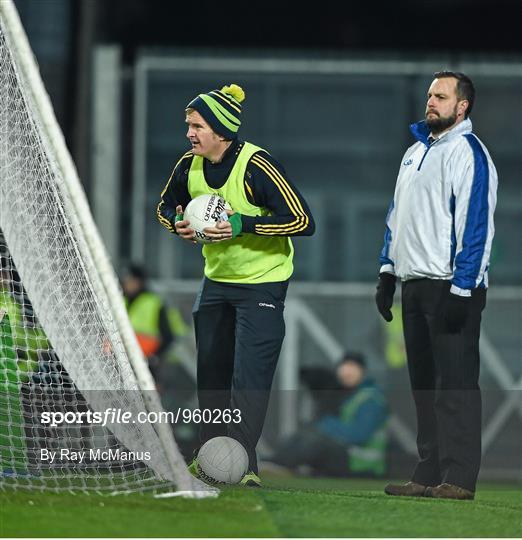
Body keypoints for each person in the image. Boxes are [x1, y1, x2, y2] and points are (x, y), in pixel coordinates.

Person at [157, 83, 315, 486]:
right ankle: (213, 462)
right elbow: (163, 207)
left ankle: (242, 466)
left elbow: (302, 221)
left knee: (249, 380)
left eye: (197, 126)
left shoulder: (257, 165)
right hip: (215, 284)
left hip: (262, 285)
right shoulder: (187, 166)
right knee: (211, 379)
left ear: (221, 129)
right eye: (188, 125)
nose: (190, 133)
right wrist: (177, 226)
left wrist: (243, 225)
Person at [376, 71, 498, 500]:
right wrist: (387, 271)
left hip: (451, 288)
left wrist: (463, 290)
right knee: (424, 386)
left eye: (440, 96)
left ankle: (459, 478)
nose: (431, 101)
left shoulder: (468, 152)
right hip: (414, 284)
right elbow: (397, 217)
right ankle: (428, 473)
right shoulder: (414, 153)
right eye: (430, 94)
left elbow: (476, 227)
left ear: (462, 106)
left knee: (456, 385)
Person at [265, 352, 388, 477]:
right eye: (344, 368)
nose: (347, 373)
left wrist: (326, 424)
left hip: (362, 464)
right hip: (350, 457)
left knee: (316, 441)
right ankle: (274, 462)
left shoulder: (371, 399)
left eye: (353, 368)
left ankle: (279, 465)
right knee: (305, 434)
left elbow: (359, 435)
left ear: (363, 372)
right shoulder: (351, 395)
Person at [121, 264, 177, 382]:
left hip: (146, 365)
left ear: (139, 281)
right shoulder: (120, 300)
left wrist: (154, 357)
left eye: (130, 280)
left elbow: (168, 336)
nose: (127, 283)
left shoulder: (154, 303)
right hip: (121, 363)